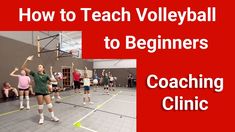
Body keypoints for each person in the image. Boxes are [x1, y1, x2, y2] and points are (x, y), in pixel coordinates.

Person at [22, 56, 59, 125]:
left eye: (40, 66)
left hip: (45, 91)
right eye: (38, 66)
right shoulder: (35, 74)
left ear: (43, 69)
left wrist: (57, 79)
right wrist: (27, 60)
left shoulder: (46, 75)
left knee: (50, 105)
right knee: (40, 106)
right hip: (39, 92)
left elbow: (51, 80)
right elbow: (23, 68)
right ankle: (41, 118)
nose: (38, 67)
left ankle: (53, 116)